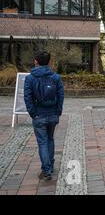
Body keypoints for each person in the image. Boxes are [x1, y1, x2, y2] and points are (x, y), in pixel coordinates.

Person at [24, 51, 64, 181]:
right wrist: (58, 111)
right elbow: (61, 96)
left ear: (36, 61)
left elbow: (27, 98)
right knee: (50, 139)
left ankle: (46, 170)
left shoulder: (30, 78)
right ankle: (50, 166)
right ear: (49, 62)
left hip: (39, 115)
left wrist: (33, 113)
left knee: (42, 142)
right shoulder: (56, 77)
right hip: (52, 114)